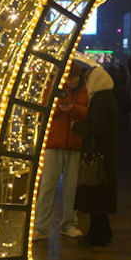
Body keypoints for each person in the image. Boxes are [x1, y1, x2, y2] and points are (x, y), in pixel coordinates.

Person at [35, 65, 88, 241]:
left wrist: (73, 109)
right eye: (69, 77)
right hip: (54, 142)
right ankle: (41, 227)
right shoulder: (54, 86)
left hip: (74, 143)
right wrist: (60, 108)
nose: (71, 81)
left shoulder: (84, 90)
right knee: (47, 185)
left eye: (74, 77)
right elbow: (45, 108)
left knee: (71, 187)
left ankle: (68, 224)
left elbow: (88, 112)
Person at [75, 61, 119, 246]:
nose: (86, 85)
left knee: (95, 197)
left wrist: (77, 127)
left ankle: (97, 236)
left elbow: (96, 130)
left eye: (87, 81)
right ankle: (103, 233)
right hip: (106, 156)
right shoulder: (107, 98)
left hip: (99, 156)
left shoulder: (100, 101)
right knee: (99, 198)